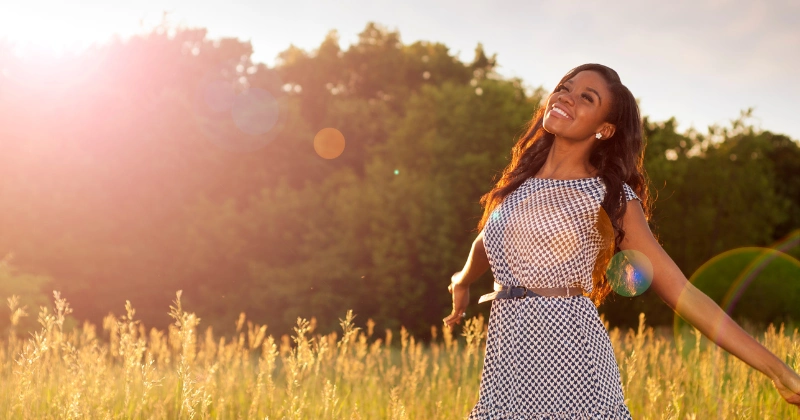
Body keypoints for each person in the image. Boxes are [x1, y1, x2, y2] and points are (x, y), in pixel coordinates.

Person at [443, 63, 800, 418]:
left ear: (605, 128)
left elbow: (680, 291)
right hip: (507, 365)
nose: (567, 96)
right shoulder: (518, 184)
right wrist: (462, 281)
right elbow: (489, 241)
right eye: (566, 87)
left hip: (571, 364)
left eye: (587, 97)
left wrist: (777, 370)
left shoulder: (610, 197)